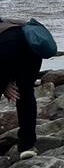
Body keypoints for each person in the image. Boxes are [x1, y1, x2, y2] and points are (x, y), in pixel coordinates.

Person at [0, 20, 42, 159]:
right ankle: (27, 146)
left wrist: (4, 84)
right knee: (26, 92)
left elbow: (6, 57)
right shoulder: (10, 23)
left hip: (6, 48)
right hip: (32, 48)